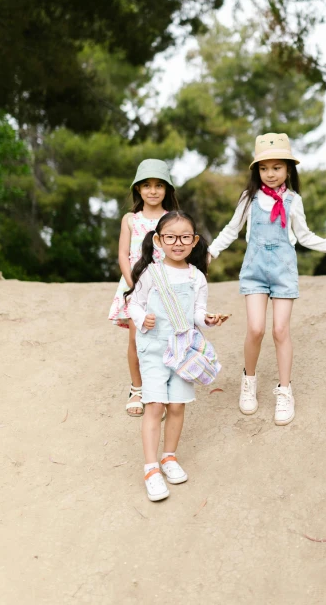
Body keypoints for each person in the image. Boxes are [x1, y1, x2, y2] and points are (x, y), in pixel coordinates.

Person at [208, 132, 326, 426]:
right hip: (254, 271)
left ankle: (284, 391)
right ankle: (249, 382)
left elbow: (305, 237)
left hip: (283, 273)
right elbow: (231, 230)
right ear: (257, 171)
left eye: (277, 167)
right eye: (264, 168)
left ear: (288, 169)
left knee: (280, 330)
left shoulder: (293, 201)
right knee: (255, 329)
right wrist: (211, 252)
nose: (270, 174)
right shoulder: (249, 199)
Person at [126, 211, 227, 502]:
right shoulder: (151, 272)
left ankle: (169, 457)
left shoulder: (197, 277)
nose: (178, 243)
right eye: (170, 237)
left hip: (183, 351)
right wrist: (142, 316)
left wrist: (208, 320)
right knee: (155, 406)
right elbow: (133, 303)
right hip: (154, 350)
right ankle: (150, 469)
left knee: (178, 406)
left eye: (185, 237)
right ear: (159, 240)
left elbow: (197, 312)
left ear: (194, 241)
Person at [108, 159, 178, 416]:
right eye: (147, 185)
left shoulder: (171, 219)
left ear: (167, 190)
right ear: (138, 189)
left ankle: (162, 390)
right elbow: (123, 254)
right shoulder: (130, 219)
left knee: (165, 338)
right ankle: (137, 388)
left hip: (166, 289)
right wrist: (133, 287)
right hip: (135, 289)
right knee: (138, 340)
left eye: (159, 185)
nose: (152, 191)